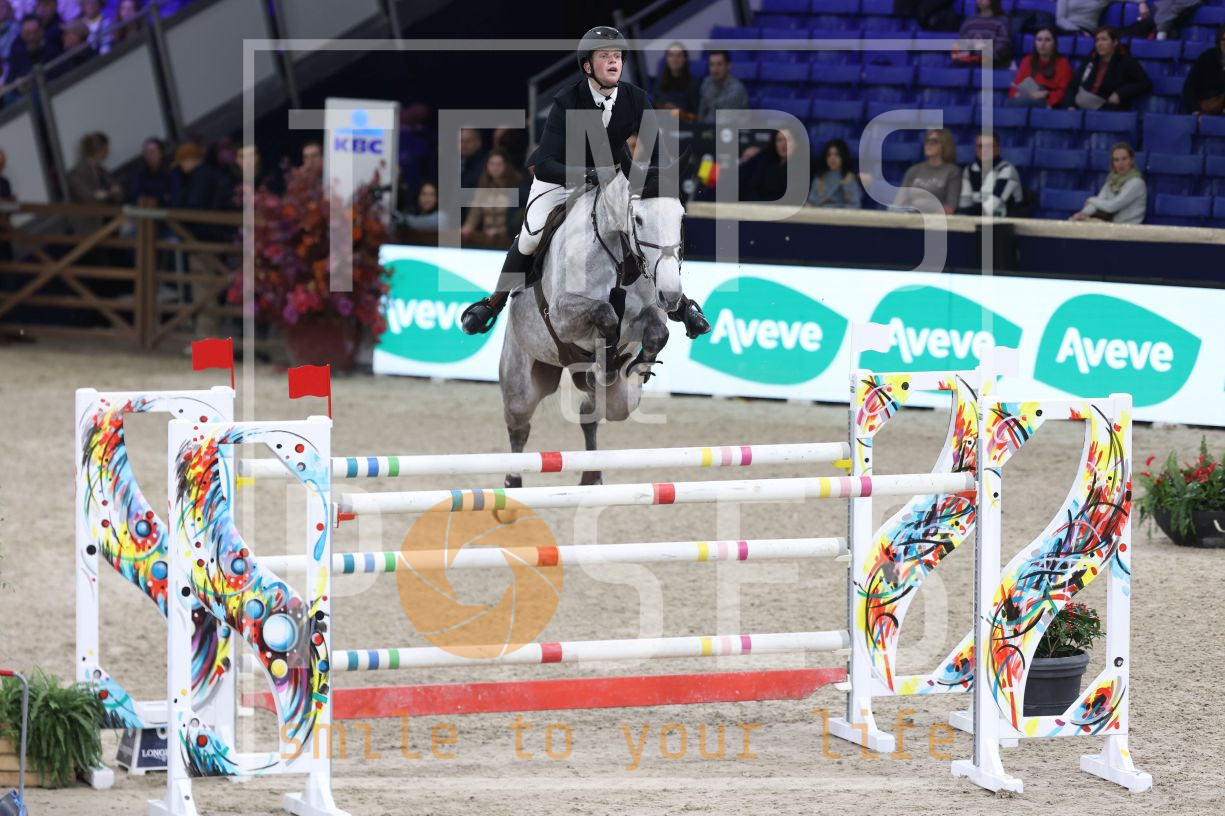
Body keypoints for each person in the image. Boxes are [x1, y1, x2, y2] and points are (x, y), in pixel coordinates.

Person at [459, 26, 709, 339]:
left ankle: (679, 304)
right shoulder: (567, 100)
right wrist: (588, 175)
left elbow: (656, 153)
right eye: (605, 56)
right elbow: (544, 164)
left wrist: (655, 183)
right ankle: (495, 301)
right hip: (562, 178)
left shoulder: (636, 98)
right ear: (588, 66)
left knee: (645, 226)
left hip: (613, 177)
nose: (614, 61)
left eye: (617, 56)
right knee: (531, 235)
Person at [1074, 26, 1152, 111]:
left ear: (1115, 42)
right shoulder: (1092, 57)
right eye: (1097, 40)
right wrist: (1069, 105)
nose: (1099, 43)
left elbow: (1145, 83)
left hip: (1107, 108)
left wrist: (1120, 93)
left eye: (1104, 39)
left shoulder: (1125, 61)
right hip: (1081, 104)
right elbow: (1075, 83)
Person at [1071, 142, 1145, 223]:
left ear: (1131, 161)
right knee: (1074, 221)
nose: (1120, 163)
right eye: (1116, 160)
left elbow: (1112, 206)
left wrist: (1091, 200)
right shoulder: (1111, 181)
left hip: (1128, 227)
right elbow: (1098, 202)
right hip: (1112, 225)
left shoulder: (1136, 183)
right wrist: (1083, 213)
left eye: (1124, 159)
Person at [461, 148, 522, 246]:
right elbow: (474, 214)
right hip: (487, 238)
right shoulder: (483, 187)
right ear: (486, 166)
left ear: (506, 166)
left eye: (499, 164)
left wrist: (500, 231)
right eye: (492, 164)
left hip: (511, 239)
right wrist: (467, 228)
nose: (495, 168)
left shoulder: (517, 186)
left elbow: (517, 219)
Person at [893, 129, 961, 214]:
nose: (929, 144)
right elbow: (899, 201)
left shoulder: (952, 172)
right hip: (911, 216)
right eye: (927, 141)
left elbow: (950, 207)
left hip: (936, 219)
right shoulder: (914, 170)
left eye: (934, 141)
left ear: (945, 145)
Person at [958, 132, 1022, 216]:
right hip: (978, 220)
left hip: (1006, 221)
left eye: (989, 146)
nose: (984, 150)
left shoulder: (1007, 170)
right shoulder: (969, 170)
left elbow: (991, 207)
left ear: (998, 149)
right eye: (980, 146)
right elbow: (964, 204)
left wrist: (969, 214)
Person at [1009, 26, 1074, 107]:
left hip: (1047, 100)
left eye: (1047, 40)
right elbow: (1015, 87)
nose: (1043, 44)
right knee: (1015, 103)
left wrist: (1046, 94)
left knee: (1015, 105)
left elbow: (1065, 92)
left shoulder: (1063, 62)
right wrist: (1029, 94)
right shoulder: (1027, 60)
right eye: (1039, 40)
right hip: (1026, 95)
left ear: (1055, 43)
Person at [738, 127, 800, 202]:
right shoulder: (765, 161)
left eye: (788, 139)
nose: (783, 144)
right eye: (779, 140)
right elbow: (749, 186)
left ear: (796, 143)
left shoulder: (803, 169)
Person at [952, 0, 1013, 68]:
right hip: (967, 62)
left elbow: (1001, 48)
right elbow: (959, 45)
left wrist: (976, 53)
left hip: (992, 63)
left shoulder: (1002, 22)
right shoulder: (968, 22)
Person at [697, 49, 749, 125]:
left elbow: (725, 118)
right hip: (708, 129)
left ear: (728, 66)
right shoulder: (706, 83)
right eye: (711, 64)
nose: (715, 69)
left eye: (719, 64)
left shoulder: (737, 89)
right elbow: (701, 113)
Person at [1182, 25, 1225, 115]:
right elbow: (1190, 86)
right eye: (1223, 40)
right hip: (1205, 109)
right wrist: (1195, 110)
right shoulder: (1207, 58)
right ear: (1219, 41)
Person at [808, 138, 862, 209]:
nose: (832, 158)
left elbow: (854, 205)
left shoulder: (848, 178)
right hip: (817, 214)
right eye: (829, 155)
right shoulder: (819, 177)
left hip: (839, 214)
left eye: (837, 155)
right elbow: (811, 201)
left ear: (843, 157)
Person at [653, 42, 699, 124]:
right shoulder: (659, 82)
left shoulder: (693, 84)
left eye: (679, 55)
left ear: (685, 59)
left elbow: (698, 117)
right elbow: (654, 106)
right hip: (661, 123)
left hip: (683, 125)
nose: (675, 59)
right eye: (671, 55)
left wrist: (680, 112)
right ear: (666, 59)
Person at [6, 14, 60, 81]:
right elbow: (11, 76)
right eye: (27, 33)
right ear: (22, 34)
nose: (32, 37)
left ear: (42, 31)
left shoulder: (53, 48)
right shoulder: (17, 53)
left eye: (35, 32)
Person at [1056, 0, 1145, 36]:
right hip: (1065, 29)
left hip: (1088, 32)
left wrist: (1142, 3)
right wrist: (1078, 31)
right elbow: (1060, 19)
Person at [127, 136, 171, 205]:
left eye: (152, 152)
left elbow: (172, 197)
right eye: (146, 152)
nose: (149, 156)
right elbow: (133, 195)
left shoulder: (171, 172)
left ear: (161, 153)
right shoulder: (140, 174)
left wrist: (157, 200)